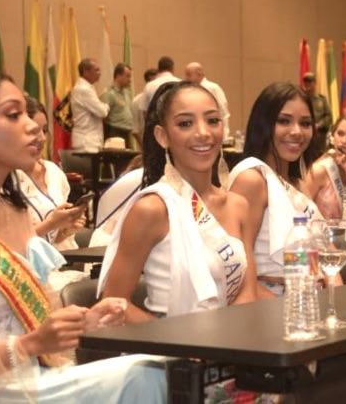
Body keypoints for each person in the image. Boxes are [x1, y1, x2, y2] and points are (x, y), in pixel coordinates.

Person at [0, 69, 166, 403]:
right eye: (13, 115)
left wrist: (83, 322)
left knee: (159, 371)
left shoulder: (16, 212)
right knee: (145, 375)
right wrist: (32, 344)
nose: (32, 128)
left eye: (28, 114)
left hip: (37, 378)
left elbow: (32, 321)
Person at [99, 80, 253, 324]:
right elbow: (113, 305)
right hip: (166, 355)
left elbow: (248, 292)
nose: (203, 132)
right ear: (162, 136)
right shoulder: (153, 209)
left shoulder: (238, 205)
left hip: (230, 350)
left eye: (212, 120)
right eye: (185, 123)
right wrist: (179, 342)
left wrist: (224, 345)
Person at [226, 82, 322, 298]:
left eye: (305, 123)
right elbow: (238, 271)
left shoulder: (298, 182)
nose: (297, 131)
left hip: (310, 297)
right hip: (272, 302)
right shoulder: (252, 179)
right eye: (284, 121)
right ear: (264, 123)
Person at [16, 98, 87, 254]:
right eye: (34, 131)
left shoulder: (54, 172)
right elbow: (7, 244)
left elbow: (55, 240)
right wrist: (51, 224)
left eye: (45, 130)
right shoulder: (4, 179)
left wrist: (66, 229)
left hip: (59, 262)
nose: (42, 138)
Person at [306, 114, 346, 220]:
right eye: (340, 134)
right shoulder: (319, 170)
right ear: (332, 137)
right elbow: (300, 208)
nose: (343, 141)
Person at [71, 58, 110, 151]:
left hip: (90, 140)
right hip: (87, 141)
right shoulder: (84, 89)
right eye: (96, 70)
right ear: (85, 72)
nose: (99, 73)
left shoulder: (87, 87)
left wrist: (101, 105)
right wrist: (106, 106)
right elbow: (102, 112)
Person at [184, 62, 231, 134]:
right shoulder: (189, 90)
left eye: (188, 74)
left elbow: (223, 112)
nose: (186, 78)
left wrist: (224, 133)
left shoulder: (213, 88)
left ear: (199, 74)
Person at [100, 63, 134, 148]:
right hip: (114, 133)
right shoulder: (109, 94)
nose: (130, 80)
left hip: (126, 132)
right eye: (128, 76)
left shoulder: (127, 93)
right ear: (118, 76)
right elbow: (103, 116)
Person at [301, 72, 332, 158]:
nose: (308, 84)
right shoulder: (301, 99)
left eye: (310, 82)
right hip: (304, 138)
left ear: (315, 83)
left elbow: (328, 117)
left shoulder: (322, 100)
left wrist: (319, 125)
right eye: (306, 82)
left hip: (318, 140)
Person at [131, 68, 158, 149]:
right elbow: (135, 129)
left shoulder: (162, 100)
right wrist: (144, 147)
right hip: (145, 143)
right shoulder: (136, 101)